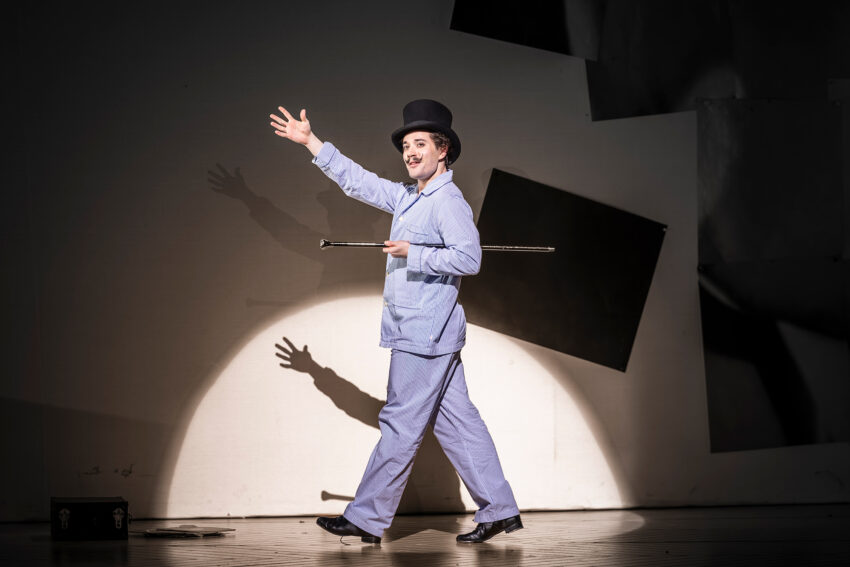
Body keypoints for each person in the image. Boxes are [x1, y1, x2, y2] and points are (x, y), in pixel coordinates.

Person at [269, 99, 522, 544]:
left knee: (400, 424)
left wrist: (414, 252)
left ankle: (366, 518)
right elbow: (360, 182)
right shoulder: (409, 197)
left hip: (423, 335)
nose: (410, 152)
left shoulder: (448, 202)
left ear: (442, 149)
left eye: (419, 143)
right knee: (460, 423)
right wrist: (311, 143)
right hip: (432, 333)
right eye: (406, 146)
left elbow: (469, 259)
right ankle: (500, 510)